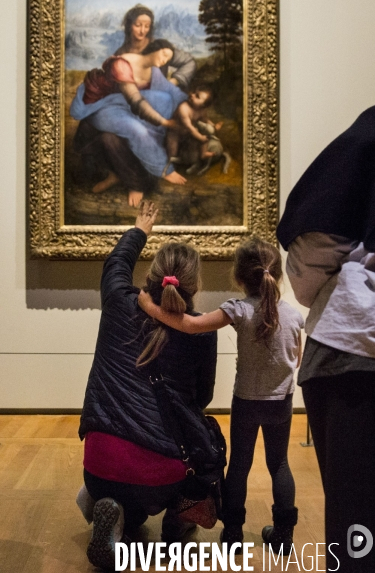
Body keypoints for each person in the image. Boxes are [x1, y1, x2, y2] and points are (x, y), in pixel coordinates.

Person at [77, 201, 218, 570]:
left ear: (152, 275)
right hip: (162, 474)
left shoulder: (119, 302)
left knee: (106, 490)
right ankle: (177, 518)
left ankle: (110, 509)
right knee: (210, 441)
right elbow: (201, 399)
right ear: (194, 285)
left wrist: (140, 229)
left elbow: (116, 264)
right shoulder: (200, 329)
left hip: (98, 463)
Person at [139, 237, 304, 552]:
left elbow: (191, 325)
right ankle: (283, 536)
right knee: (279, 463)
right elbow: (296, 359)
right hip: (280, 402)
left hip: (246, 402)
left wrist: (149, 306)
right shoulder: (294, 316)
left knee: (240, 465)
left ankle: (232, 535)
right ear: (278, 276)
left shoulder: (238, 309)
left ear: (239, 278)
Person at [277, 106, 375, 571]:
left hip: (350, 348)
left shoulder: (367, 134)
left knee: (356, 521)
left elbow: (312, 244)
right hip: (352, 350)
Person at [73, 4, 197, 205]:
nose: (142, 31)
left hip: (139, 106)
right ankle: (132, 179)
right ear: (129, 25)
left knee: (160, 109)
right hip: (120, 106)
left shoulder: (159, 51)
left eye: (147, 26)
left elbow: (175, 82)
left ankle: (141, 169)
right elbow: (133, 99)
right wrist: (163, 122)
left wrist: (176, 83)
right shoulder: (122, 57)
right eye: (138, 25)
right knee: (114, 137)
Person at [165, 85, 215, 164]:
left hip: (189, 133)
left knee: (202, 141)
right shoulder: (183, 108)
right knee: (172, 153)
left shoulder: (202, 110)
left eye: (197, 96)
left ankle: (203, 154)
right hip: (175, 132)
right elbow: (189, 127)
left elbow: (204, 119)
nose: (192, 95)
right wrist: (200, 137)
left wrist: (213, 125)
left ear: (203, 105)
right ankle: (170, 165)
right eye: (194, 92)